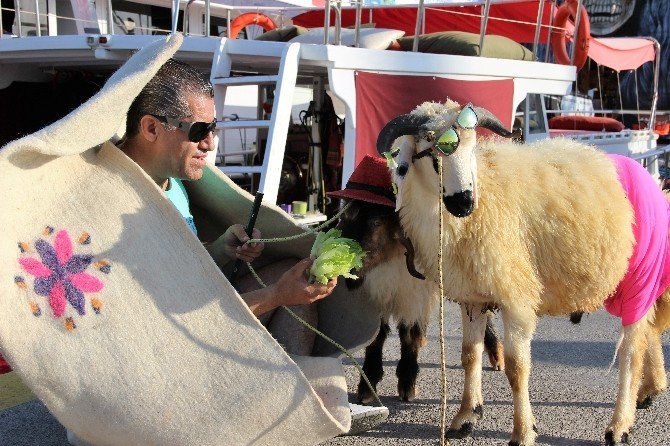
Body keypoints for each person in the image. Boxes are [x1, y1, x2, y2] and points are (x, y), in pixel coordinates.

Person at [108, 58, 387, 436]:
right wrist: (275, 295)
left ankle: (291, 398)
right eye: (201, 129)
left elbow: (186, 271)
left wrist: (223, 249)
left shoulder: (170, 185)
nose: (210, 142)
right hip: (162, 360)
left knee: (295, 268)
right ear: (151, 128)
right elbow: (162, 326)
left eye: (214, 127)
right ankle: (292, 404)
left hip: (197, 320)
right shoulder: (115, 206)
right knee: (288, 290)